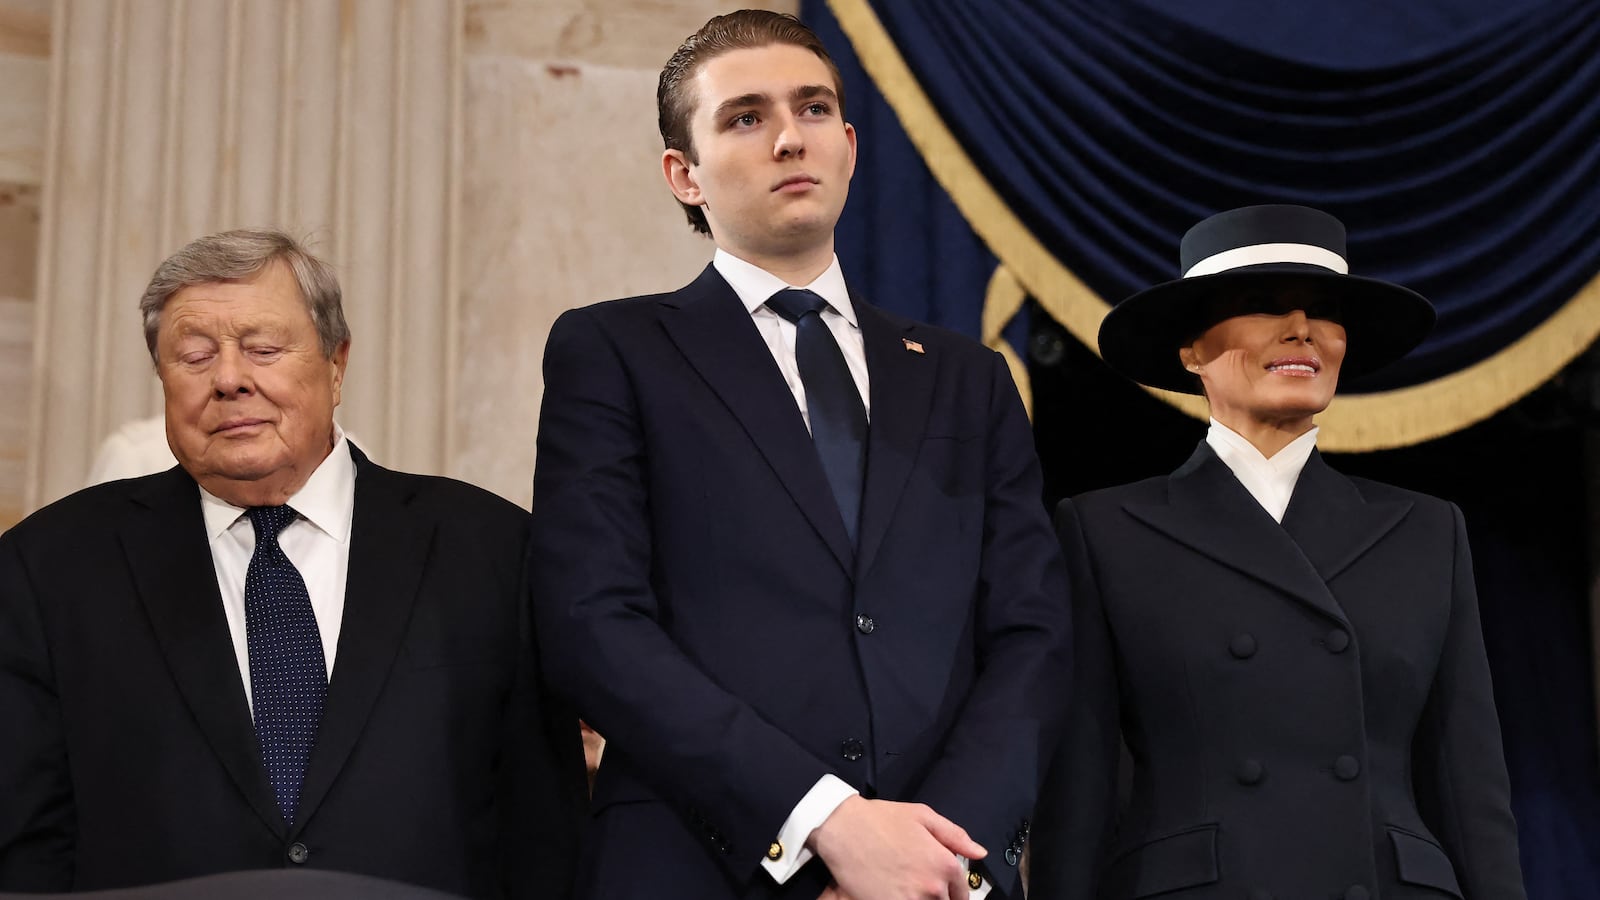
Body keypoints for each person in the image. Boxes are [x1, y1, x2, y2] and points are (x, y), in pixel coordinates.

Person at [528, 11, 1070, 900]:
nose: (789, 138)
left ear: (851, 146)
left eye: (813, 109)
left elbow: (1032, 637)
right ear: (684, 174)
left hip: (941, 877)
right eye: (745, 117)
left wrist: (938, 855)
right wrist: (822, 821)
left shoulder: (969, 378)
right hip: (700, 865)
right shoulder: (613, 352)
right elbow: (593, 625)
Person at [0, 229, 585, 897]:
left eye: (263, 350)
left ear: (337, 366)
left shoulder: (490, 550)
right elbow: (26, 844)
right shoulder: (50, 567)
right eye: (193, 357)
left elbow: (546, 831)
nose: (227, 380)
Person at [1029, 205, 1525, 899]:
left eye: (1324, 310)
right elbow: (1075, 793)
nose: (1302, 329)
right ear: (1191, 349)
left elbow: (1471, 794)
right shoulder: (1105, 530)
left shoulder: (1426, 531)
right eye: (1262, 303)